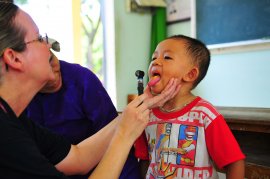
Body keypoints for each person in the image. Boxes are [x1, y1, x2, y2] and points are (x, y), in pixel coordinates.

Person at [0, 2, 180, 178]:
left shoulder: (16, 121)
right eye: (39, 38)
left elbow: (78, 157)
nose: (48, 45)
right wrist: (125, 135)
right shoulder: (7, 138)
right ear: (13, 58)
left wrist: (137, 108)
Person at [134, 35, 246, 179]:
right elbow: (145, 160)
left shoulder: (204, 114)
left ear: (190, 74)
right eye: (153, 58)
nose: (156, 62)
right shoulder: (145, 115)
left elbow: (234, 161)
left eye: (167, 57)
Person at [26, 51, 141, 179]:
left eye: (51, 59)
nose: (53, 77)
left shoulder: (81, 79)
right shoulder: (19, 111)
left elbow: (114, 137)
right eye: (45, 75)